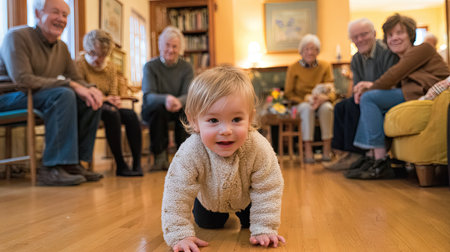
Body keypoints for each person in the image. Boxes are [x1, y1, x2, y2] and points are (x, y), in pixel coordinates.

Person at [161, 66, 285, 251]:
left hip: (248, 200)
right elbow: (176, 191)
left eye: (236, 119)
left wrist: (265, 227)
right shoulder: (191, 151)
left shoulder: (258, 147)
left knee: (251, 224)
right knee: (209, 224)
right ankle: (211, 215)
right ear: (194, 121)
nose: (226, 130)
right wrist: (180, 234)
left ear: (250, 118)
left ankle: (252, 221)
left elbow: (268, 186)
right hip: (209, 202)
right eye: (213, 120)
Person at [0, 0, 103, 186]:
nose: (61, 19)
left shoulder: (62, 48)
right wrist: (70, 84)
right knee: (64, 94)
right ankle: (51, 168)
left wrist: (91, 89)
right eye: (55, 12)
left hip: (39, 95)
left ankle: (73, 163)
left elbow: (76, 78)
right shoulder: (16, 36)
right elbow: (23, 80)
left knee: (89, 99)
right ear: (38, 14)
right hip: (9, 96)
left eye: (65, 15)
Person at [348, 13, 450, 179]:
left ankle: (380, 160)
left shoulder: (422, 49)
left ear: (410, 34)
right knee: (368, 101)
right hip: (412, 93)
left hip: (426, 94)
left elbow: (393, 76)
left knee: (369, 98)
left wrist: (369, 87)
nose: (394, 38)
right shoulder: (397, 58)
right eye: (390, 35)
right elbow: (394, 80)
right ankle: (369, 156)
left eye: (399, 33)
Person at [325, 18, 399, 171]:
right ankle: (345, 153)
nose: (359, 40)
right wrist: (358, 92)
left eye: (364, 35)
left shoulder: (387, 52)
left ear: (374, 33)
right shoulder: (356, 58)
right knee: (341, 106)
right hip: (367, 95)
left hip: (384, 94)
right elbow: (357, 85)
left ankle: (356, 154)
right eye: (355, 37)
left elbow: (391, 81)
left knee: (354, 105)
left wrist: (364, 91)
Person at [76, 29, 142, 177]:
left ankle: (137, 164)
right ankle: (120, 164)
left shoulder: (111, 67)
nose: (98, 59)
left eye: (102, 55)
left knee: (131, 115)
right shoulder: (79, 64)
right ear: (87, 49)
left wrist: (115, 99)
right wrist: (107, 99)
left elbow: (113, 92)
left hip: (107, 105)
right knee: (113, 115)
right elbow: (83, 93)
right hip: (90, 106)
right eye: (93, 53)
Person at [141, 26, 193, 171]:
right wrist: (166, 99)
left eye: (175, 46)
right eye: (167, 45)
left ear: (180, 48)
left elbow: (189, 94)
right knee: (158, 111)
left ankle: (184, 158)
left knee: (186, 112)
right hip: (154, 109)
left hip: (178, 107)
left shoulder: (186, 68)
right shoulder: (150, 66)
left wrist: (178, 101)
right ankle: (160, 157)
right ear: (160, 46)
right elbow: (148, 96)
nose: (171, 50)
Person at [284, 34, 335, 163]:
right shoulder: (293, 68)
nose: (310, 52)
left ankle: (327, 149)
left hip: (321, 101)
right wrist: (305, 99)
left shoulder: (325, 66)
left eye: (313, 49)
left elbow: (331, 89)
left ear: (318, 51)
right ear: (301, 51)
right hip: (303, 103)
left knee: (328, 108)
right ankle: (308, 150)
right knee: (307, 109)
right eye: (307, 49)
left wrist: (324, 98)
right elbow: (289, 93)